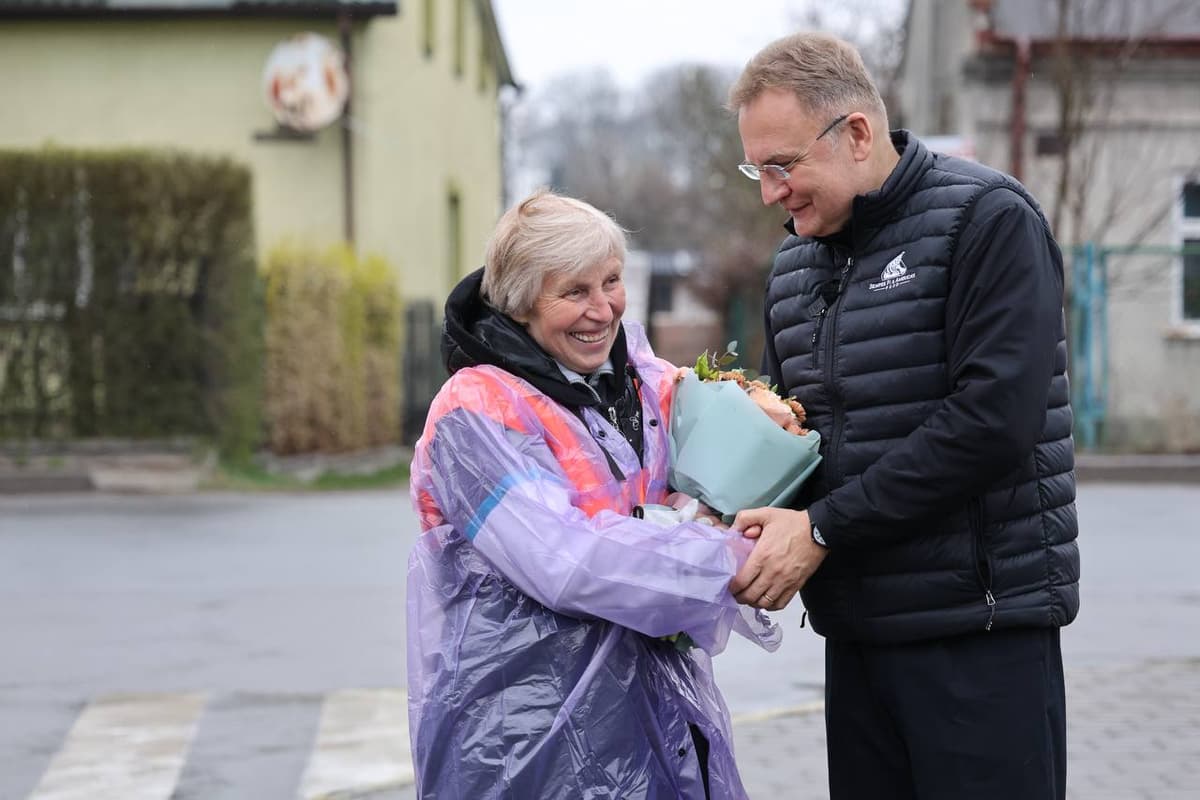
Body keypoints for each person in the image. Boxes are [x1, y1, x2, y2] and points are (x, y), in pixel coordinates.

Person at [724, 32, 1081, 800]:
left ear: (855, 133)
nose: (770, 192)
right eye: (759, 169)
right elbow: (799, 436)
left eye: (783, 165)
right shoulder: (792, 269)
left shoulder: (988, 219)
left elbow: (993, 422)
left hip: (978, 638)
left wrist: (821, 530)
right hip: (857, 638)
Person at [406, 189, 776, 799]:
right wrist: (728, 559)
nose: (602, 309)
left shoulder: (640, 382)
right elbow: (566, 560)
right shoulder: (474, 414)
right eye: (574, 291)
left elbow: (695, 494)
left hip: (652, 715)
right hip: (522, 734)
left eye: (610, 281)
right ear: (523, 301)